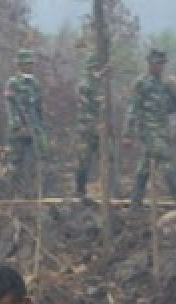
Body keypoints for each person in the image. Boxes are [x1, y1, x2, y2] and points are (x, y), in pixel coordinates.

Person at [123, 48, 176, 209]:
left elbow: (170, 108)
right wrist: (128, 134)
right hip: (148, 130)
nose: (160, 67)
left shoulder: (163, 85)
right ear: (149, 64)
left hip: (162, 130)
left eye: (162, 63)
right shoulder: (142, 83)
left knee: (145, 167)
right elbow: (132, 108)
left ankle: (135, 202)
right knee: (167, 159)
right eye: (157, 63)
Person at [5, 49, 47, 195]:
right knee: (15, 161)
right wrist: (18, 126)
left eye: (31, 63)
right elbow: (11, 106)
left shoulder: (35, 84)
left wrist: (41, 128)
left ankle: (31, 193)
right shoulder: (13, 83)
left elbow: (39, 108)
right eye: (27, 63)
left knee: (35, 161)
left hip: (34, 129)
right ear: (20, 65)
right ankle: (15, 194)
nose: (30, 66)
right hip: (18, 130)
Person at [74, 55, 103, 199]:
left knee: (106, 158)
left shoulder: (100, 85)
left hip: (99, 130)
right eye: (92, 68)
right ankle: (80, 191)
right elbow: (88, 105)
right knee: (83, 161)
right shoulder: (84, 86)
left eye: (96, 68)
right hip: (86, 129)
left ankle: (106, 191)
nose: (95, 71)